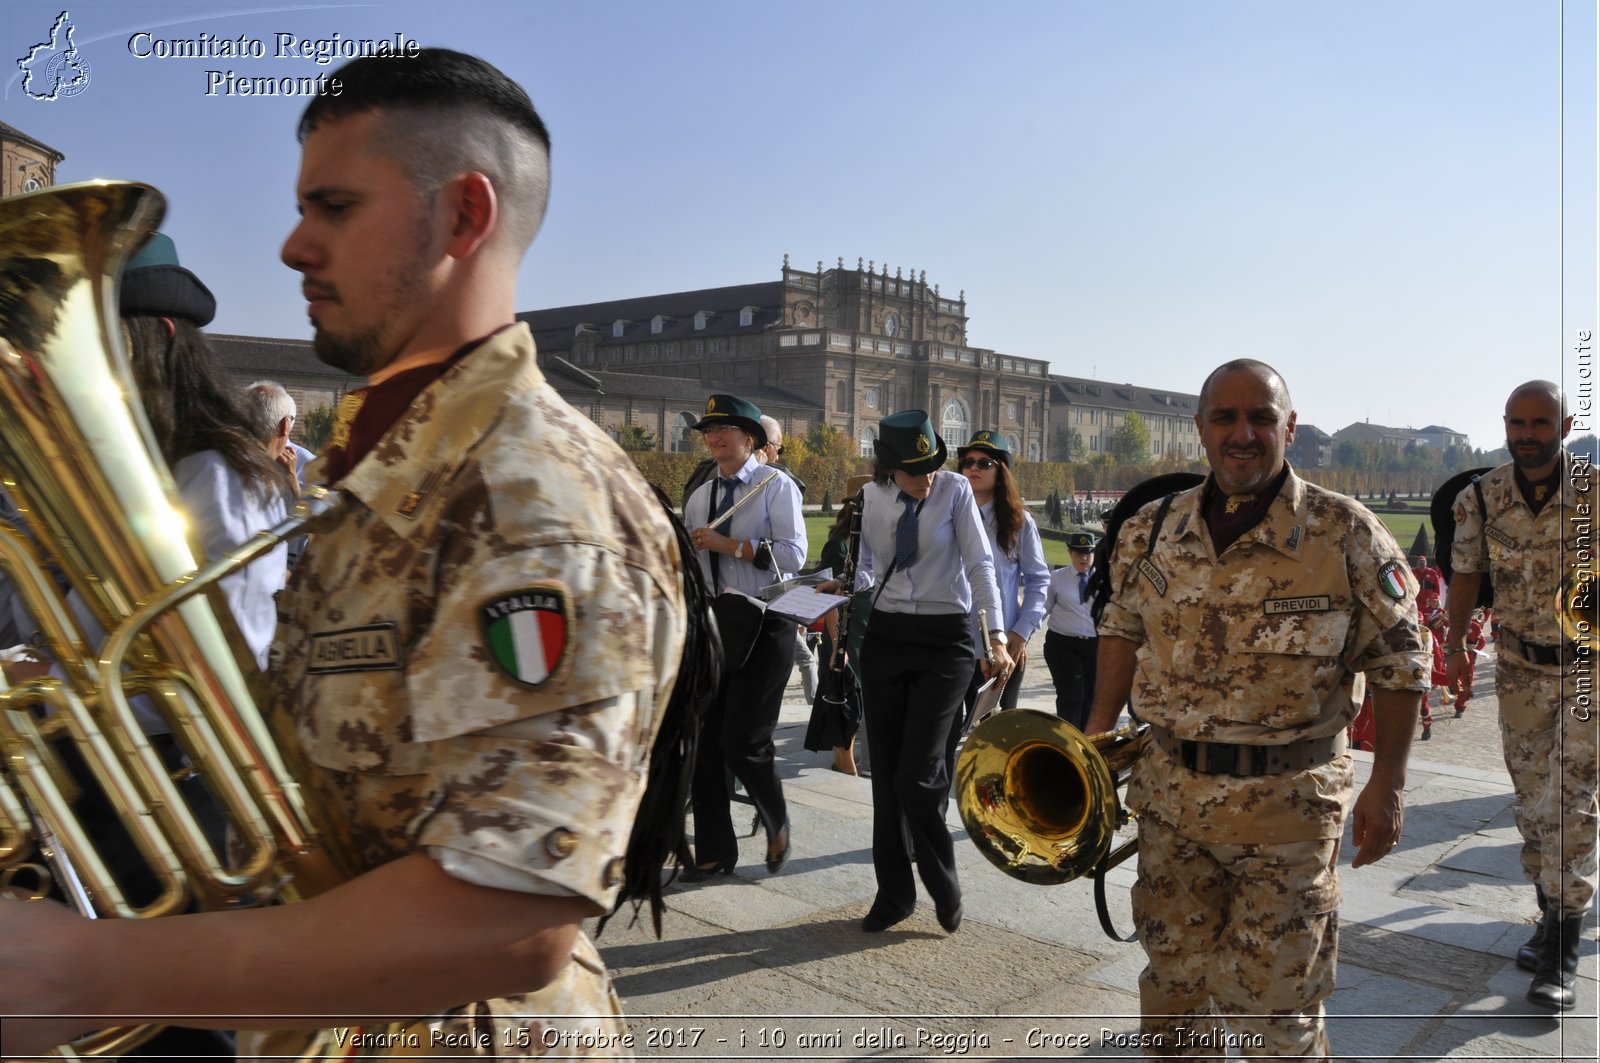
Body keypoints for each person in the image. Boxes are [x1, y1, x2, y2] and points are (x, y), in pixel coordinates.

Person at [0, 48, 687, 1060]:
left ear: (463, 215)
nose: (289, 245)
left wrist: (81, 970)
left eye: (332, 207)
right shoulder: (390, 465)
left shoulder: (535, 495)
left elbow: (509, 921)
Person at [1084, 358, 1425, 1057]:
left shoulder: (1344, 533)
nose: (1244, 433)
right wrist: (1094, 733)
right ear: (1201, 429)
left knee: (1278, 1019)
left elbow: (1401, 663)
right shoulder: (1151, 527)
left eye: (1261, 417)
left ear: (1289, 428)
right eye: (1226, 417)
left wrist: (1388, 783)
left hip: (1288, 818)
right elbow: (1120, 626)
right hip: (1172, 809)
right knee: (1175, 1003)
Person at [1444, 379, 1596, 1011]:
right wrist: (1452, 647)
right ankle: (1546, 913)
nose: (1526, 435)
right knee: (1532, 804)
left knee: (1566, 801)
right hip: (1516, 671)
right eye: (1516, 423)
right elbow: (1465, 573)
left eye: (1539, 423)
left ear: (1563, 427)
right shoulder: (1482, 497)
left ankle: (1563, 936)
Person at [833, 409, 1011, 935]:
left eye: (932, 465)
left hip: (946, 641)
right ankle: (894, 894)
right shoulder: (872, 496)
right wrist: (843, 583)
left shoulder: (954, 491)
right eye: (915, 471)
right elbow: (867, 564)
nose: (927, 478)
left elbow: (979, 564)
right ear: (888, 468)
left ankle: (942, 879)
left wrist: (995, 636)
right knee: (886, 773)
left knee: (920, 770)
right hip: (887, 637)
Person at [681, 394, 806, 881]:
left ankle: (776, 819)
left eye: (724, 429)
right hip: (717, 627)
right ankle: (714, 852)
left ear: (750, 438)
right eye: (709, 430)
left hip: (766, 623)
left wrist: (729, 545)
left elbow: (794, 556)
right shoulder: (699, 496)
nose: (713, 437)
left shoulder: (777, 487)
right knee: (704, 745)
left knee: (744, 742)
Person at [945, 431, 1047, 787]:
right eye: (968, 462)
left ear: (1000, 470)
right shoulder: (945, 513)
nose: (973, 468)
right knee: (945, 733)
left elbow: (1038, 582)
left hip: (998, 648)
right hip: (952, 640)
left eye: (984, 463)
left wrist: (1019, 635)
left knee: (994, 738)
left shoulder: (1018, 522)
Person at [757, 413, 819, 702]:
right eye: (779, 448)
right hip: (768, 607)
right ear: (766, 446)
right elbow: (793, 557)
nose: (778, 455)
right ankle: (813, 703)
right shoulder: (779, 484)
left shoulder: (708, 484)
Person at [1042, 530, 1101, 731]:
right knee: (1072, 694)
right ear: (1070, 553)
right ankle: (1066, 737)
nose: (1083, 558)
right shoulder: (1056, 578)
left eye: (1088, 553)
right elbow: (1042, 609)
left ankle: (1085, 742)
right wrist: (1021, 635)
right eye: (1078, 553)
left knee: (1090, 698)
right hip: (1062, 644)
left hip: (1094, 645)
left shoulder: (1105, 579)